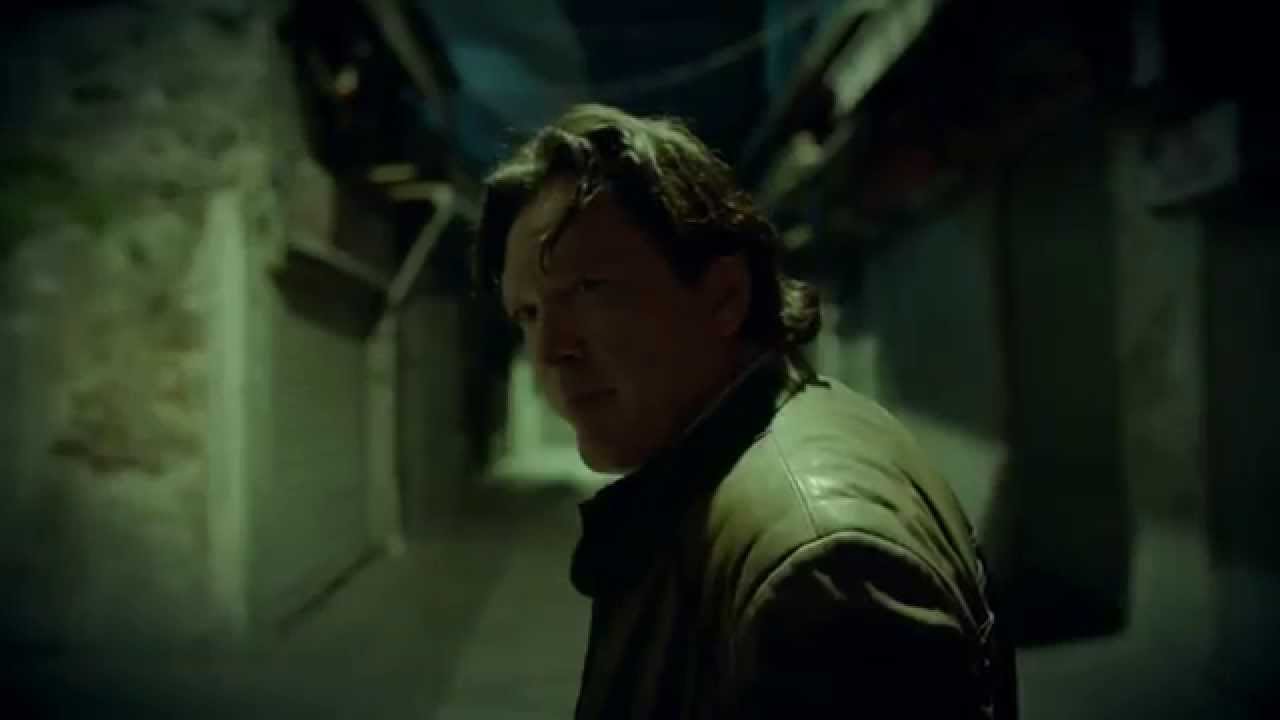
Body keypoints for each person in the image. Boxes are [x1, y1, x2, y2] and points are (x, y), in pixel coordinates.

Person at [473, 103, 1017, 719]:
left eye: (590, 291)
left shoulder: (817, 570)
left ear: (724, 296)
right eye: (529, 314)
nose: (550, 350)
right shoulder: (767, 451)